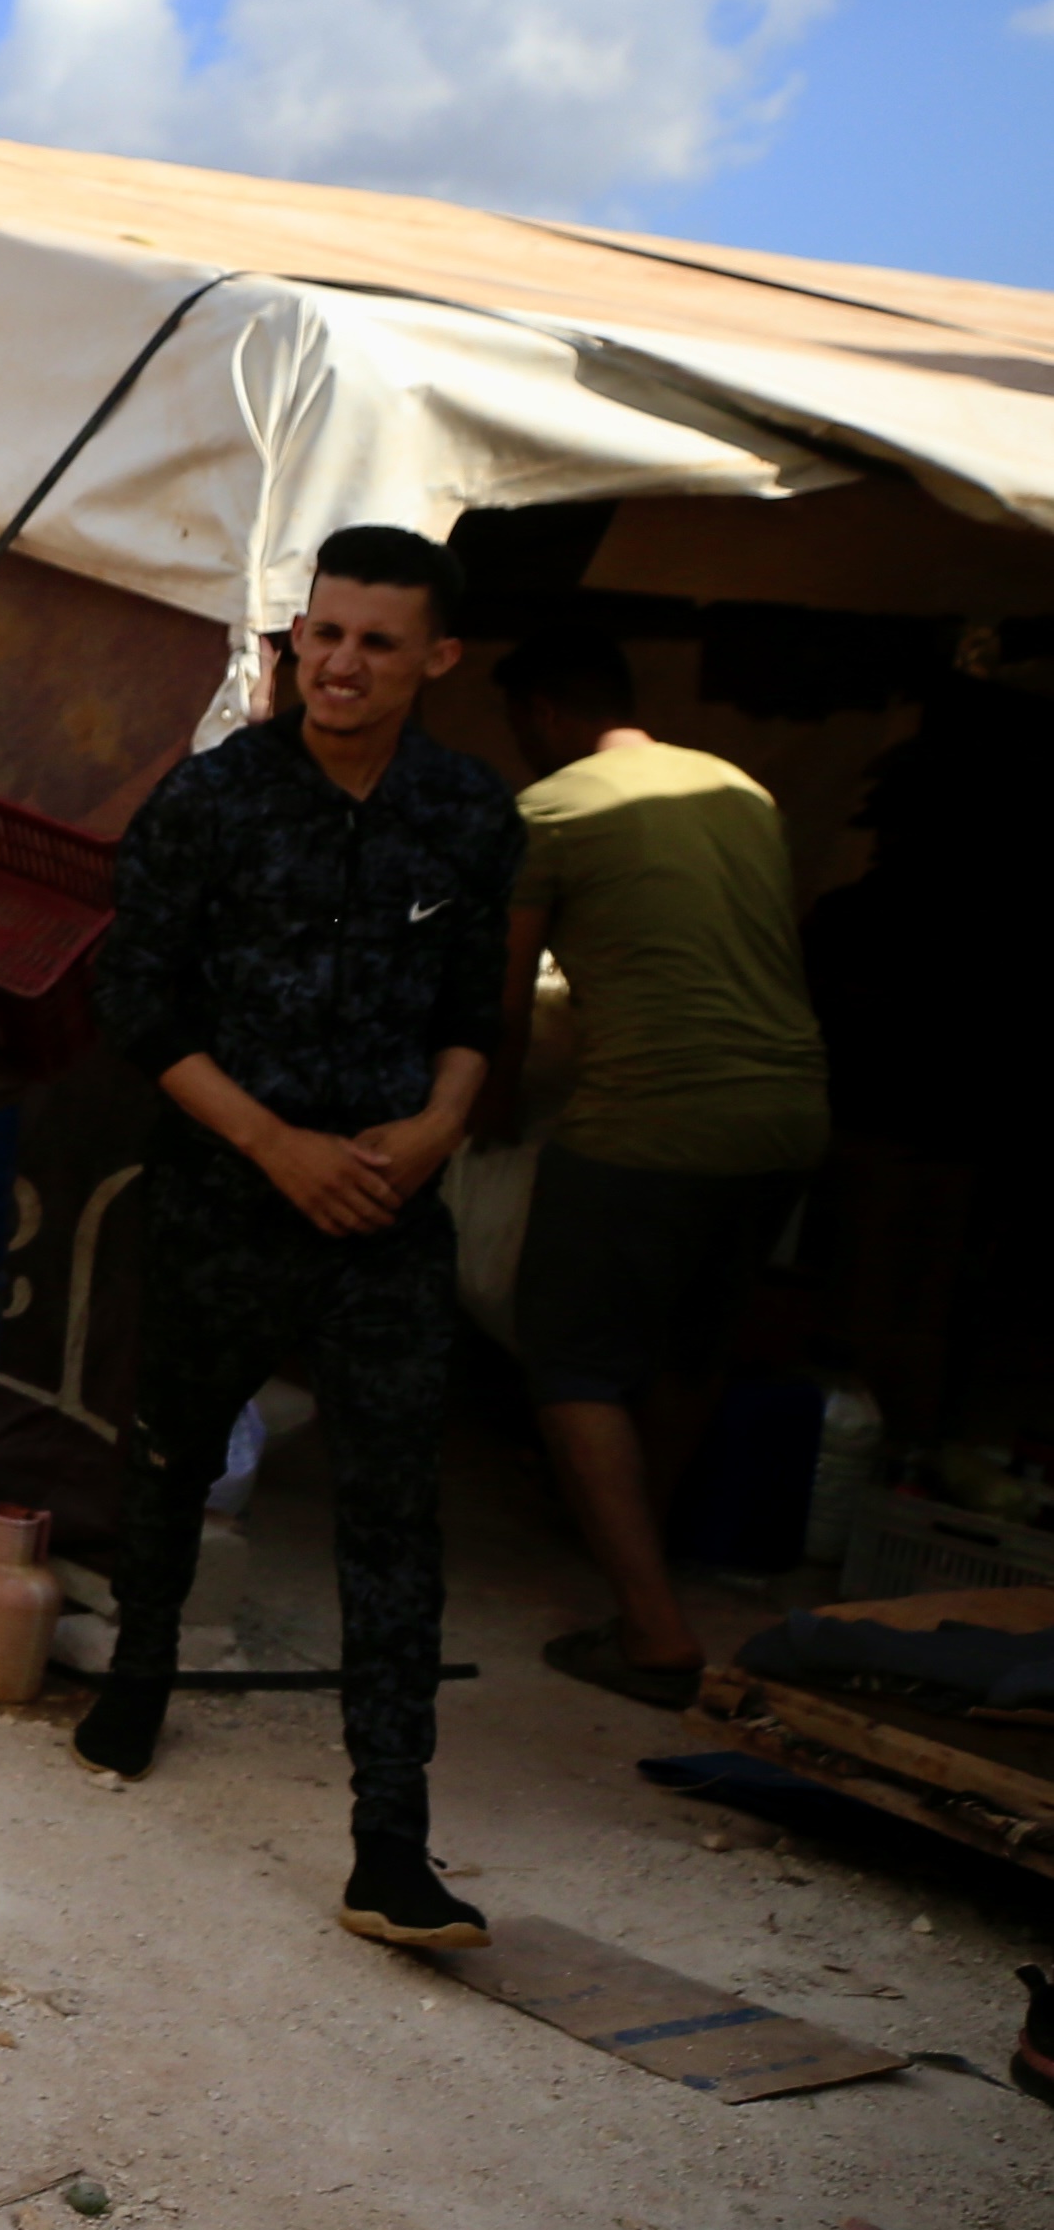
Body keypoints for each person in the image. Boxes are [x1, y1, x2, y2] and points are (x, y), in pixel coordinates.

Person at [80, 523, 523, 1948]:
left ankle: (387, 1837)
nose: (335, 663)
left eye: (372, 642)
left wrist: (437, 1122)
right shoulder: (209, 802)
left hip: (384, 1219)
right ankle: (136, 1667)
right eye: (317, 634)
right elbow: (136, 1010)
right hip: (225, 1194)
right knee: (172, 1448)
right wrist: (277, 1146)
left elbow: (475, 1014)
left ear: (432, 658)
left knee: (393, 1512)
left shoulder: (464, 811)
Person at [483, 627, 830, 1710]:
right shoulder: (739, 789)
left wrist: (482, 1110)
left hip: (648, 1121)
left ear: (541, 714)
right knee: (686, 1349)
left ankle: (648, 1628)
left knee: (565, 1356)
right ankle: (639, 1557)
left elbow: (499, 998)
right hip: (784, 1113)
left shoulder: (548, 809)